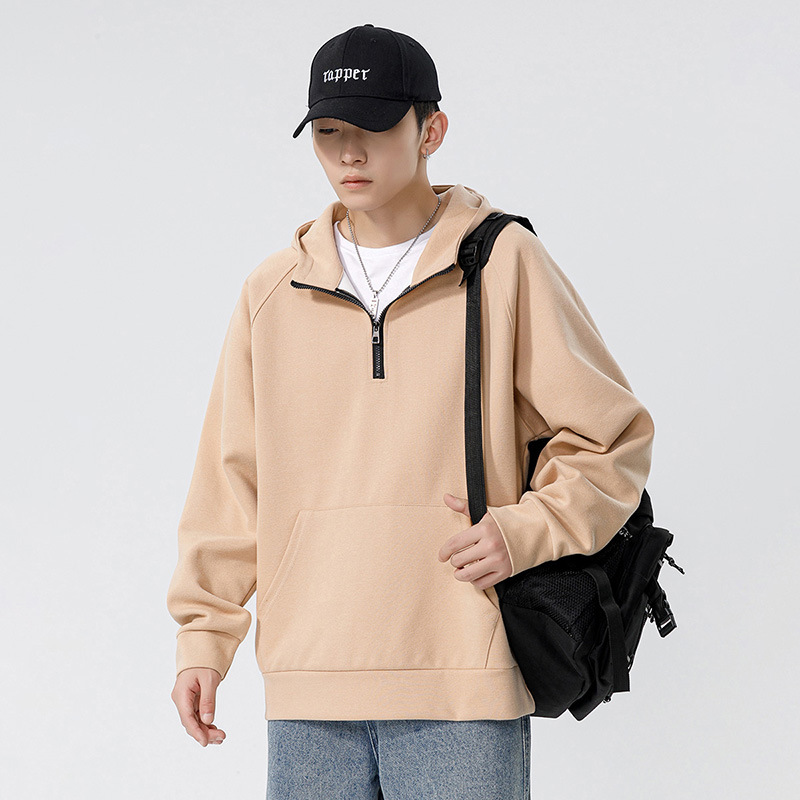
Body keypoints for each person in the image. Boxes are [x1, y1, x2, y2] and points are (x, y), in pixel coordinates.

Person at [167, 23, 655, 800]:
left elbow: (612, 437)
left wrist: (526, 530)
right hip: (309, 680)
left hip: (461, 676)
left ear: (431, 130)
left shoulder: (500, 264)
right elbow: (231, 482)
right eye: (329, 132)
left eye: (371, 127)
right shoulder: (272, 291)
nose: (349, 154)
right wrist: (205, 635)